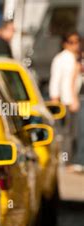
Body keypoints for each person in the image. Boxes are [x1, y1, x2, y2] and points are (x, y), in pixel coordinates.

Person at [49, 31, 82, 164]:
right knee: (65, 133)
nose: (75, 45)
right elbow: (56, 80)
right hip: (66, 101)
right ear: (65, 43)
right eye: (71, 42)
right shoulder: (61, 59)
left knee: (74, 133)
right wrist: (55, 99)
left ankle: (70, 159)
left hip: (76, 100)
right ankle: (65, 160)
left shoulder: (77, 58)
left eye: (77, 41)